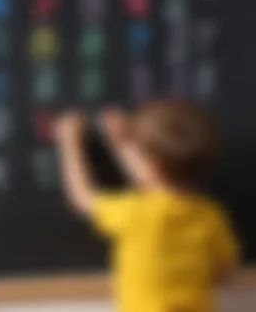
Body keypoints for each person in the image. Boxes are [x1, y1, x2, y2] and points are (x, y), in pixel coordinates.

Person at [55, 99, 240, 312]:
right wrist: (121, 141)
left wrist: (69, 142)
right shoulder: (209, 215)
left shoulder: (137, 213)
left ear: (153, 164)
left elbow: (82, 197)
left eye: (136, 150)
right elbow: (225, 270)